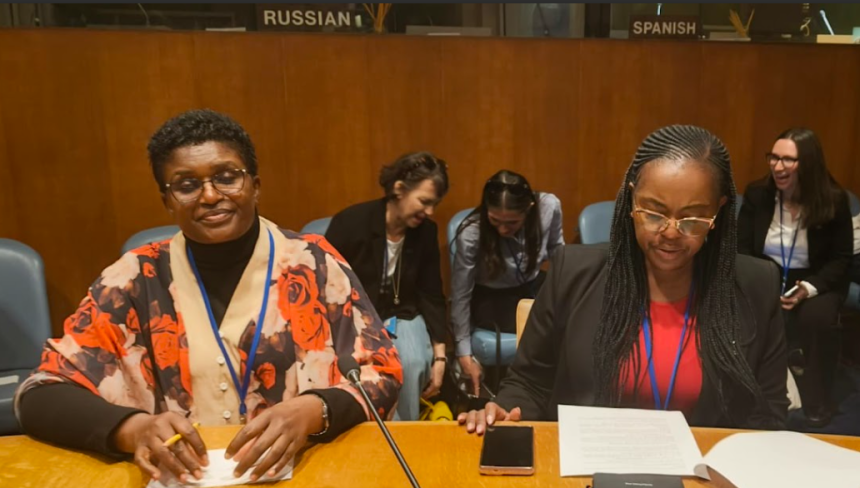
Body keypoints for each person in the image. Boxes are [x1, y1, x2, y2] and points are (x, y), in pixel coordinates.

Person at [14, 109, 401, 483]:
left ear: (255, 185)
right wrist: (133, 430)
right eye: (186, 185)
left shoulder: (313, 262)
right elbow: (41, 394)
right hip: (184, 477)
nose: (210, 195)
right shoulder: (134, 277)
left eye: (227, 177)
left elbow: (382, 374)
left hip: (302, 473)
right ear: (167, 200)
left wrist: (313, 411)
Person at [458, 125, 789, 434]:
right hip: (590, 467)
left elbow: (768, 411)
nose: (670, 233)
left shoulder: (756, 285)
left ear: (719, 211)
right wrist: (503, 410)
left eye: (691, 218)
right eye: (654, 213)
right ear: (631, 200)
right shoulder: (573, 273)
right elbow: (529, 382)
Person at [737, 128, 852, 427]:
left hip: (814, 279)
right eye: (773, 157)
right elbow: (742, 247)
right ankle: (748, 398)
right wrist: (762, 284)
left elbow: (841, 259)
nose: (777, 166)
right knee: (747, 313)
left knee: (818, 320)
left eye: (788, 160)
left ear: (809, 164)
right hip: (765, 272)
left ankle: (817, 400)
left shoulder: (834, 201)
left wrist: (808, 289)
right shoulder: (758, 195)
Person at [325, 152, 449, 421]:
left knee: (412, 362)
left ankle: (406, 435)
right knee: (363, 369)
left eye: (435, 204)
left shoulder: (426, 232)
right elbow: (326, 286)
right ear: (399, 189)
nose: (430, 212)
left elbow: (431, 294)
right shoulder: (350, 223)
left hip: (404, 313)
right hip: (354, 315)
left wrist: (441, 358)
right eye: (425, 202)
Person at [450, 170, 563, 395]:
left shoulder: (548, 206)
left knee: (567, 316)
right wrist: (463, 355)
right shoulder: (471, 232)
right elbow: (461, 293)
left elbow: (557, 251)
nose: (502, 229)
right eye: (495, 220)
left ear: (529, 208)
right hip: (492, 296)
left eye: (512, 222)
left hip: (532, 283)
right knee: (541, 326)